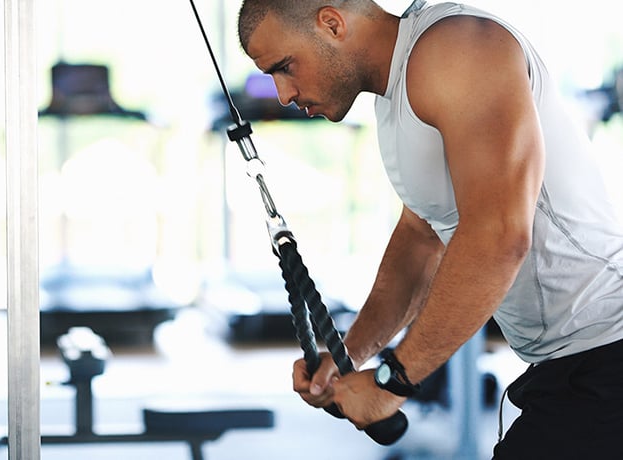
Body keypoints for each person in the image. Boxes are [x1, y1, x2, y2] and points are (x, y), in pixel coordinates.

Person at [236, 0, 623, 458]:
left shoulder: (456, 50)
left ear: (332, 24)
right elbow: (421, 239)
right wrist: (347, 358)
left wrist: (392, 380)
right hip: (569, 364)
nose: (282, 94)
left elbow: (499, 235)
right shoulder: (395, 94)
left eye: (284, 67)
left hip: (608, 350)